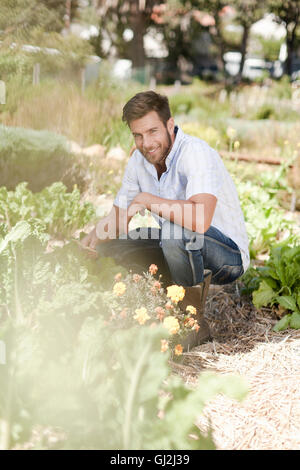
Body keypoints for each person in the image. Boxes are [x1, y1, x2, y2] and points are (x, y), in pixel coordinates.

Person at [81, 90, 250, 348]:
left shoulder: (195, 153)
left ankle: (193, 321)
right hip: (176, 246)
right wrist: (93, 237)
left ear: (169, 125)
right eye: (138, 135)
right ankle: (150, 305)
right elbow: (117, 217)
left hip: (226, 257)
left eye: (152, 132)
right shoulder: (139, 161)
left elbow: (201, 219)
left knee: (174, 229)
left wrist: (148, 200)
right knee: (109, 247)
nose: (146, 143)